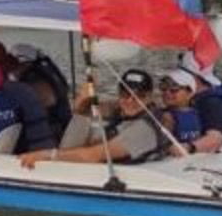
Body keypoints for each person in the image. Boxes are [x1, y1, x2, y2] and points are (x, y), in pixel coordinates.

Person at [20, 69, 165, 167]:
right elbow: (85, 110)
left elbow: (93, 156)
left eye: (139, 96)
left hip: (119, 175)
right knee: (82, 114)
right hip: (99, 164)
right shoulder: (122, 110)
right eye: (125, 94)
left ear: (150, 97)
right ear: (119, 94)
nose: (131, 101)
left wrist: (46, 155)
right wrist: (86, 97)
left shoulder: (144, 130)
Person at [172, 56, 222, 154]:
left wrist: (189, 148)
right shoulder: (188, 96)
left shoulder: (213, 103)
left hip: (201, 156)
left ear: (195, 77)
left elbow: (216, 138)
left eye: (182, 73)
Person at [9, 43, 74, 135]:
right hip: (62, 125)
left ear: (25, 63)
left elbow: (49, 101)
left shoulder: (34, 78)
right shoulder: (48, 70)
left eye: (12, 64)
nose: (10, 69)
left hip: (54, 131)